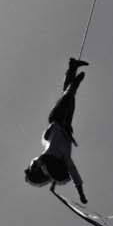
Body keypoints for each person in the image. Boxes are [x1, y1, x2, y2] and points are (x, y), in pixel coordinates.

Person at [24, 58, 91, 204]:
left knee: (68, 96)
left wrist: (33, 169)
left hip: (56, 120)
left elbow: (35, 162)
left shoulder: (45, 157)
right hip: (66, 126)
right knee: (68, 97)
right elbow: (75, 176)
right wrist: (81, 194)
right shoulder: (65, 158)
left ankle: (74, 76)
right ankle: (72, 67)